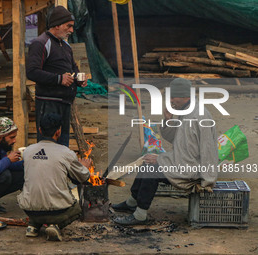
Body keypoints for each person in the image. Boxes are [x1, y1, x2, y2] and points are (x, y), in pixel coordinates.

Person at [112, 78, 218, 225]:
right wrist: (168, 119)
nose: (171, 100)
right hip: (182, 163)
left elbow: (208, 150)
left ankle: (140, 214)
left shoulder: (199, 116)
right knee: (148, 161)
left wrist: (207, 181)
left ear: (185, 96)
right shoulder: (186, 110)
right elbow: (177, 139)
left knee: (152, 169)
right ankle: (132, 202)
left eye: (173, 97)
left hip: (191, 171)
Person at [17, 113, 91, 241]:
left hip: (29, 209)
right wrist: (84, 166)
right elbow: (83, 177)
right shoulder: (65, 152)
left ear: (40, 130)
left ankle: (33, 226)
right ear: (58, 132)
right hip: (57, 212)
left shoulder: (28, 151)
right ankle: (56, 226)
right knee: (79, 207)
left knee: (37, 198)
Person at [26, 6, 87, 147]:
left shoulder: (66, 46)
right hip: (48, 104)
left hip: (64, 104)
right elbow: (32, 71)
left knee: (62, 144)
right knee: (47, 146)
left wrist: (79, 79)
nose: (71, 30)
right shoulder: (40, 43)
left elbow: (73, 68)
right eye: (69, 26)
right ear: (57, 25)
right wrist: (59, 79)